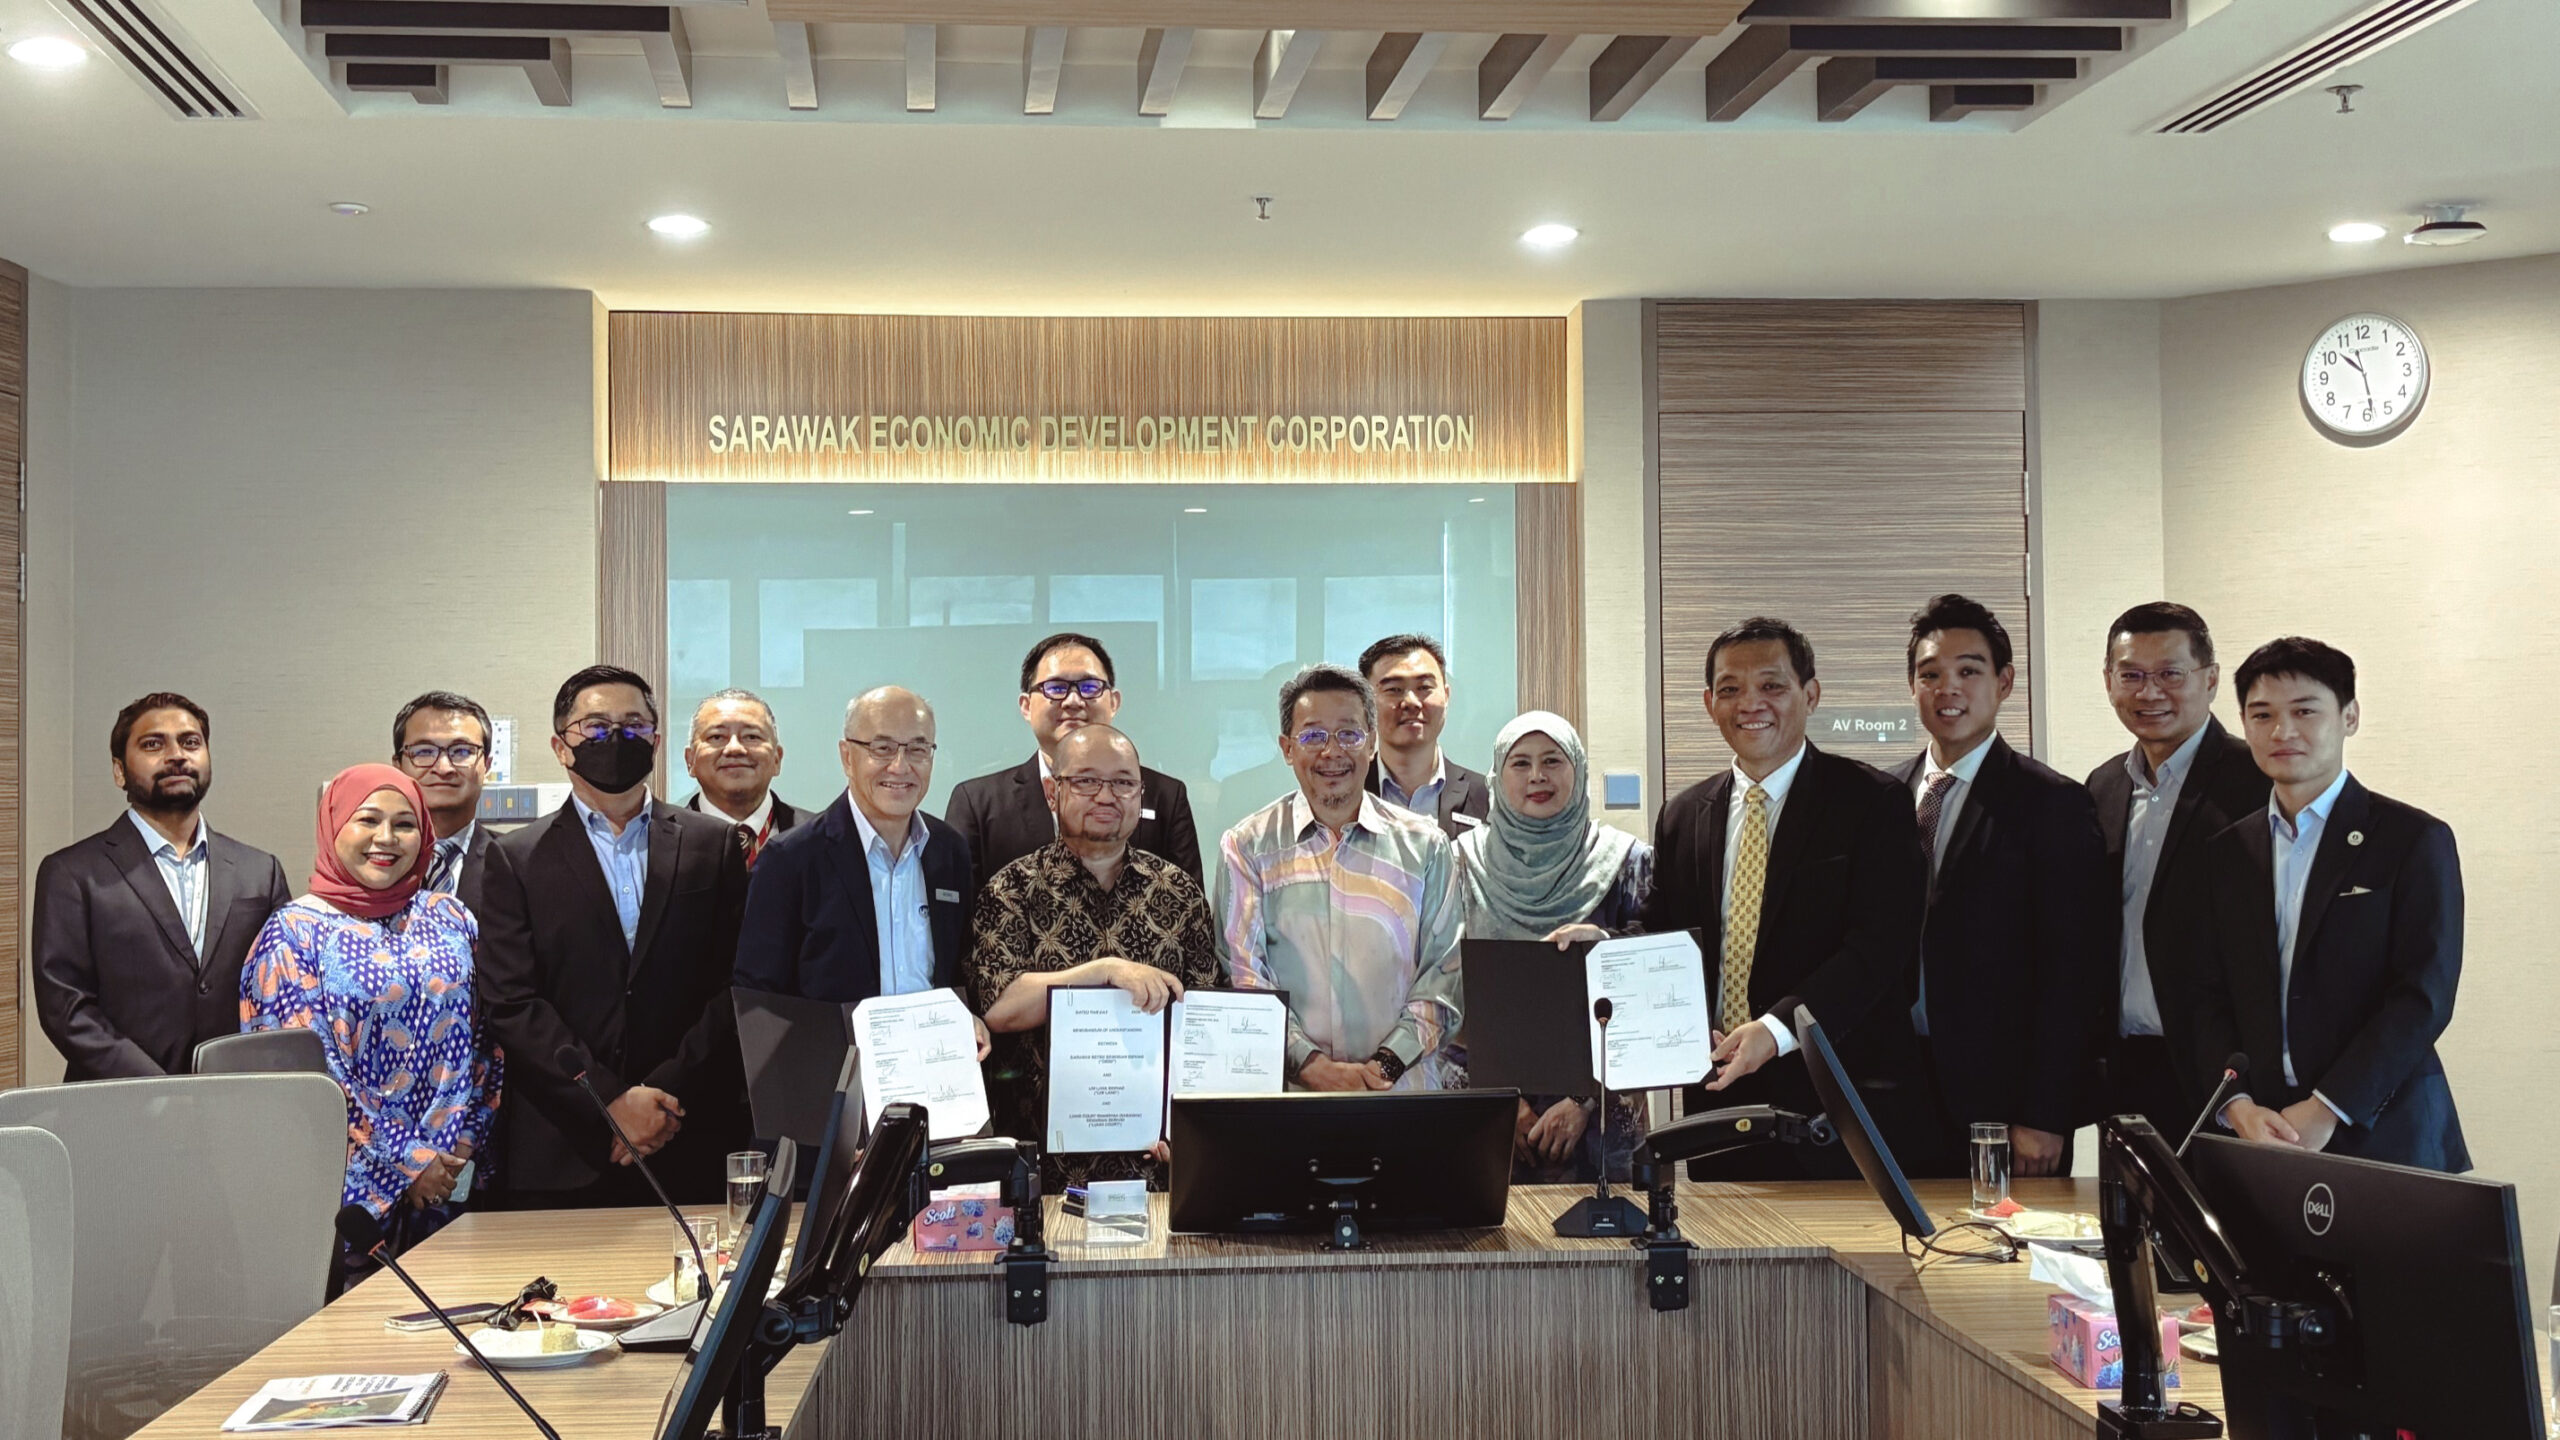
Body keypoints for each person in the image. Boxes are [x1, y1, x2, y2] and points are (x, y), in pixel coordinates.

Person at [1638, 618, 1924, 1179]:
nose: (1751, 703)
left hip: (1837, 1106)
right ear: (1709, 703)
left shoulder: (1872, 801)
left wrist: (1774, 1031)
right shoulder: (1682, 815)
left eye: (1771, 685)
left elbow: (1879, 949)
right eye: (1730, 689)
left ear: (1809, 694)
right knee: (1722, 1239)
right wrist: (1601, 944)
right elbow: (1663, 934)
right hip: (1720, 1101)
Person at [475, 665, 752, 1206]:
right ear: (561, 747)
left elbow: (734, 984)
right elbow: (512, 1001)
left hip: (687, 1128)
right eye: (596, 727)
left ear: (656, 741)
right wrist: (611, 1101)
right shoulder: (515, 858)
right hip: (565, 1142)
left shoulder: (713, 844)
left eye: (634, 725)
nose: (616, 738)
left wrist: (665, 1091)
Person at [2195, 638, 2468, 1172]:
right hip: (2262, 1130)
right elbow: (2205, 994)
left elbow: (2423, 996)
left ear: (2349, 717)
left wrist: (2329, 1106)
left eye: (2304, 711)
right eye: (2262, 715)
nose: (2282, 731)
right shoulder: (2226, 852)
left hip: (2383, 1129)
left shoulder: (2412, 839)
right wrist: (2237, 1106)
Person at [240, 765, 499, 1282]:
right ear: (334, 826)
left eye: (404, 824)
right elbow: (312, 1078)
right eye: (368, 820)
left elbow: (485, 1040)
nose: (386, 838)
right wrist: (410, 1164)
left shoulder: (452, 917)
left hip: (455, 1183)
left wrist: (460, 1148)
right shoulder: (293, 933)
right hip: (348, 1200)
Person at [1886, 596, 2111, 1179]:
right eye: (1930, 674)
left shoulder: (2052, 802)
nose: (1948, 689)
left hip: (2003, 1104)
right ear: (1912, 686)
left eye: (1969, 671)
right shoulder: (1883, 797)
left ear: (2004, 682)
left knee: (2003, 1236)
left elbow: (2074, 970)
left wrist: (2046, 1112)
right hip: (1892, 1092)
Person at [966, 724, 1219, 1190]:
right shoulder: (1011, 889)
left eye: (1123, 783)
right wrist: (1104, 971)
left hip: (1156, 1164)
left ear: (1140, 795)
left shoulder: (1179, 892)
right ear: (1052, 792)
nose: (1106, 796)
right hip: (1040, 1166)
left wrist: (1189, 1126)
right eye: (1085, 781)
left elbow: (1205, 1019)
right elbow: (1000, 1009)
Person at [1216, 664, 1462, 1091]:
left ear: (1372, 743)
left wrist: (1385, 1067)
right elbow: (1243, 975)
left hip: (1403, 1094)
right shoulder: (1247, 847)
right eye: (1313, 736)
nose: (1332, 752)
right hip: (1290, 1097)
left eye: (1349, 734)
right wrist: (1311, 1067)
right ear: (1287, 748)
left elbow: (1444, 974)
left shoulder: (1426, 846)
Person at [33, 693, 293, 1080]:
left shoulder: (260, 871)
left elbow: (280, 992)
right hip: (120, 1101)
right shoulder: (72, 873)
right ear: (119, 771)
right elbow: (65, 1007)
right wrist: (160, 1091)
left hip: (235, 1098)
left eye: (190, 742)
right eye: (153, 744)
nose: (176, 755)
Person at [2084, 602, 2270, 1138]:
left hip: (2232, 1074)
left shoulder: (2259, 782)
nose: (2150, 693)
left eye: (2170, 674)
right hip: (2126, 1068)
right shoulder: (2102, 787)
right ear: (2108, 681)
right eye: (2132, 676)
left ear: (2210, 680)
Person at [1463, 711, 1653, 1183]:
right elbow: (1444, 996)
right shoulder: (1458, 863)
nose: (1537, 776)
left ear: (1579, 770)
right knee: (1489, 1228)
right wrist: (1504, 1103)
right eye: (1520, 763)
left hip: (1602, 1117)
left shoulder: (1627, 862)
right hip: (1490, 1114)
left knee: (1609, 1228)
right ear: (1496, 775)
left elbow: (1653, 988)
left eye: (1553, 760)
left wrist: (1584, 1100)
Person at [736, 687, 984, 1031]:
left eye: (917, 749)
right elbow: (758, 999)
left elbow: (959, 971)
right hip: (833, 1063)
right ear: (847, 757)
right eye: (882, 748)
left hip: (934, 1058)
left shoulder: (949, 850)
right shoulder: (790, 860)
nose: (900, 766)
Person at [947, 633, 1203, 888]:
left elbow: (1188, 899)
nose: (1073, 701)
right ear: (1026, 706)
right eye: (1056, 688)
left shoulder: (1165, 796)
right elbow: (960, 907)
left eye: (1090, 687)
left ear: (1114, 702)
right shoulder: (978, 803)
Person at [1358, 634, 1490, 839]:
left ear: (1446, 696)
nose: (1411, 702)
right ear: (1365, 703)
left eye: (1424, 688)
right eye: (1393, 689)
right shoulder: (1346, 794)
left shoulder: (1488, 797)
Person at [392, 690, 501, 916]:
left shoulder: (518, 862)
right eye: (424, 751)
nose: (443, 768)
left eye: (462, 751)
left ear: (487, 766)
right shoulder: (372, 858)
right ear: (398, 766)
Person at [681, 687, 806, 868]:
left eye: (751, 736)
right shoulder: (656, 842)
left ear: (777, 759)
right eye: (717, 737)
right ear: (690, 760)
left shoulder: (819, 838)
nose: (734, 748)